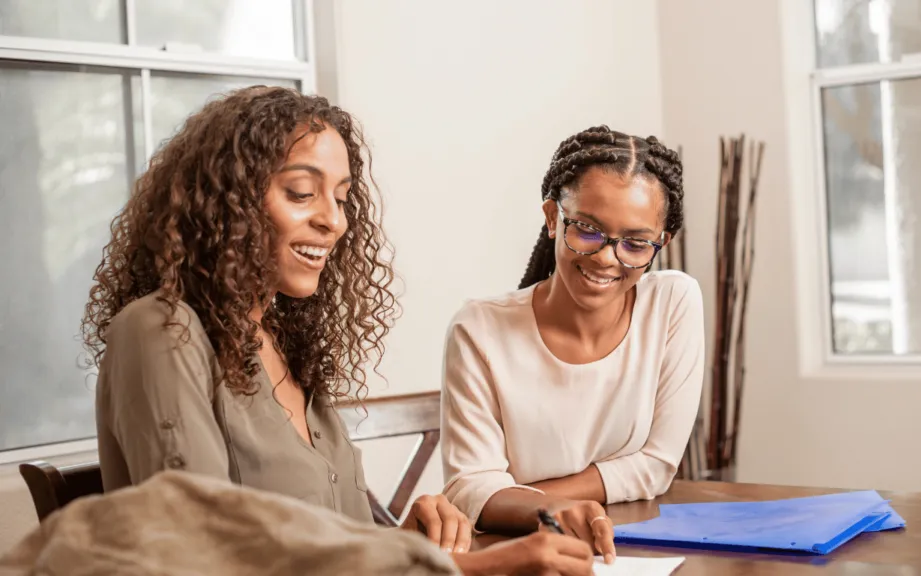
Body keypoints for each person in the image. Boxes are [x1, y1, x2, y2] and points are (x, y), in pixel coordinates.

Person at [83, 86, 594, 576]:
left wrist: (404, 544)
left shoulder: (283, 344)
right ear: (225, 203)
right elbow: (203, 551)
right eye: (302, 193)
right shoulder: (161, 330)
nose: (335, 221)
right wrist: (472, 567)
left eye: (343, 198)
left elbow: (325, 542)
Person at [440, 125, 705, 563]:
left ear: (661, 244)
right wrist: (548, 508)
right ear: (551, 217)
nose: (606, 257)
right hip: (515, 554)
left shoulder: (673, 302)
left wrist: (515, 498)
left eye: (636, 243)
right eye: (587, 230)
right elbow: (470, 487)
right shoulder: (480, 329)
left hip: (626, 551)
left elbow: (657, 465)